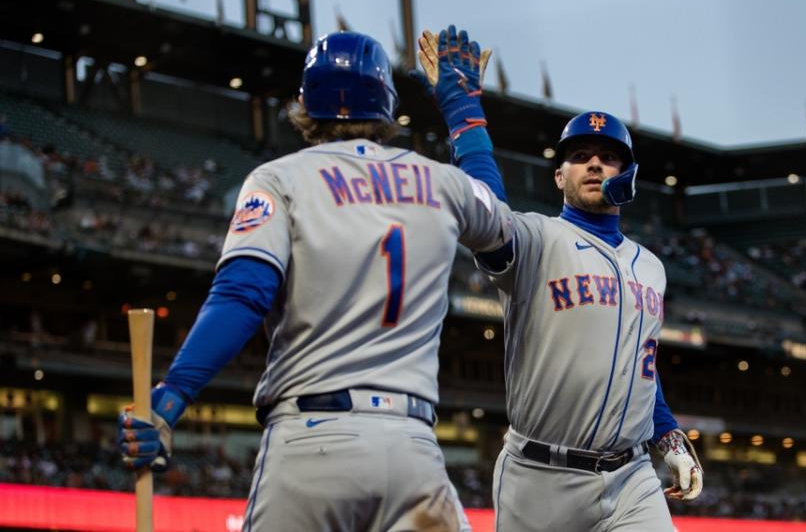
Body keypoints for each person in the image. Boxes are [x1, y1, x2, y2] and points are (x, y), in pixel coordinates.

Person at [117, 31, 513, 532]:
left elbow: (244, 293)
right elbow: (502, 228)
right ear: (387, 104)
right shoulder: (441, 182)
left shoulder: (279, 179)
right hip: (412, 451)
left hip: (310, 444)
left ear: (306, 103)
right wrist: (463, 109)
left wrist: (172, 397)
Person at [419, 26, 703, 531]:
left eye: (608, 154)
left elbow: (642, 366)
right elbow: (486, 210)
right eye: (579, 155)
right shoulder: (535, 239)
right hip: (541, 478)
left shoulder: (652, 268)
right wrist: (464, 114)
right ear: (559, 177)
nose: (593, 161)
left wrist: (670, 436)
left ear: (627, 174)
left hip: (633, 477)